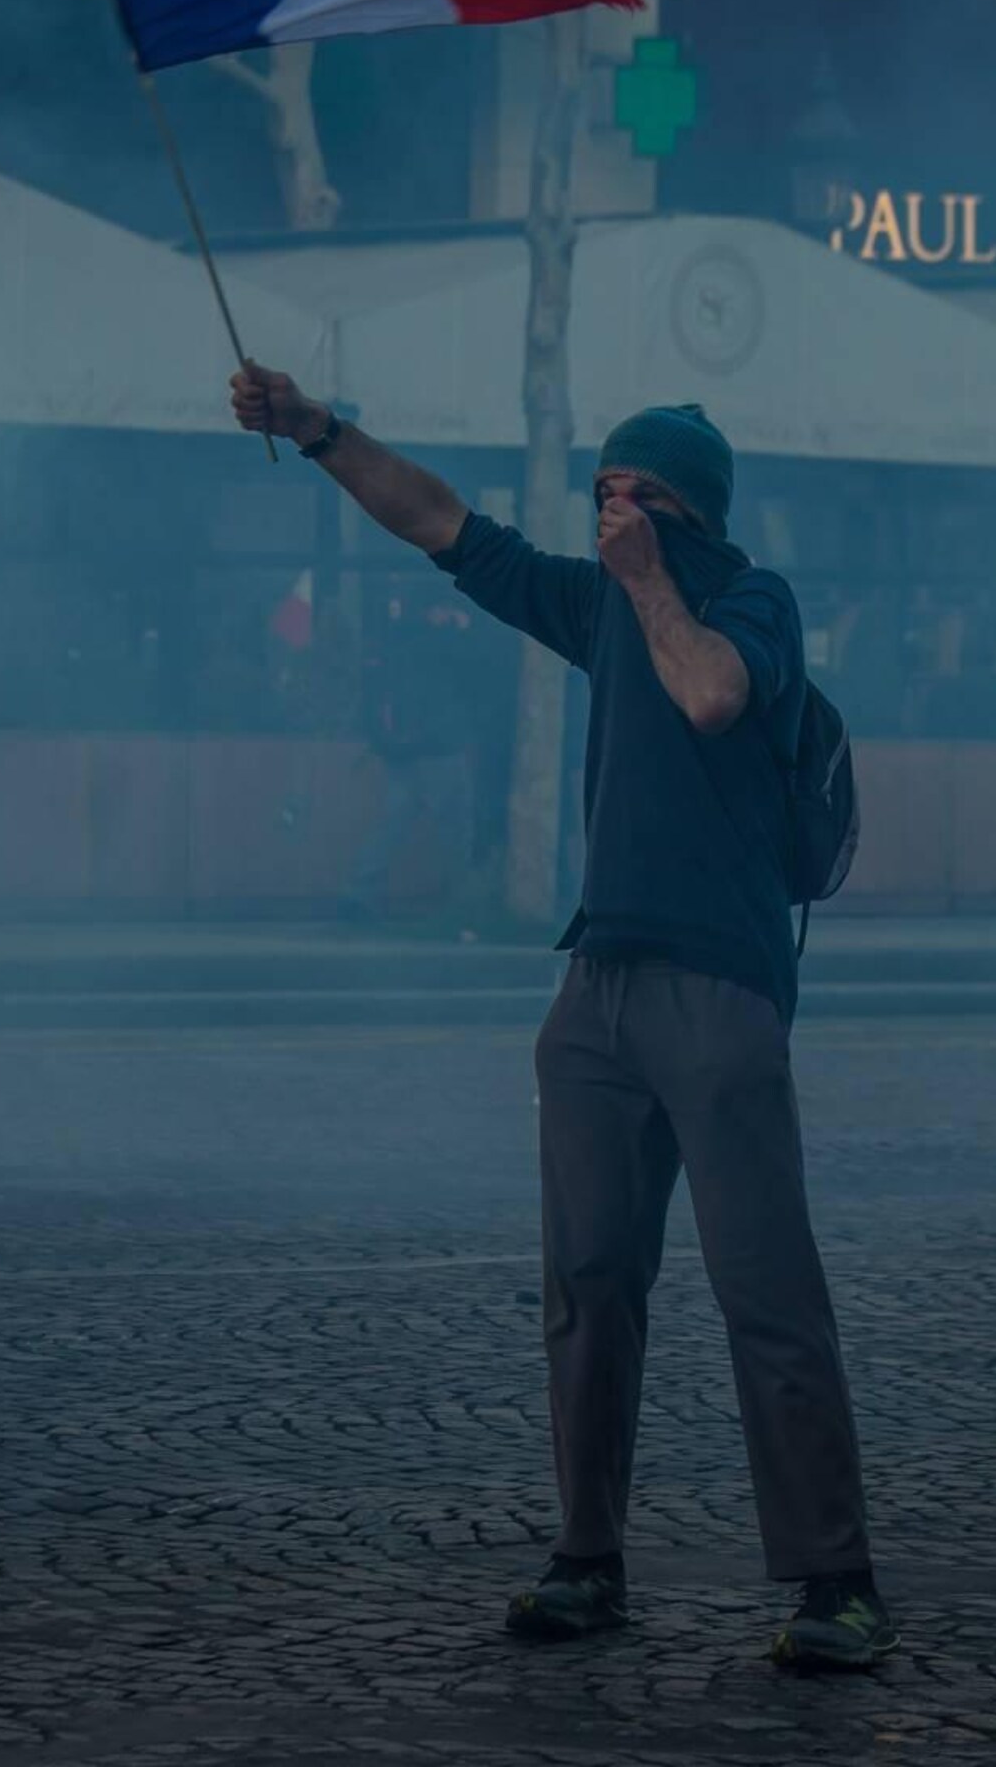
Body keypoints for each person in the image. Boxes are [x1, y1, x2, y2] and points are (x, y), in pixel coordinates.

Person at [229, 360, 894, 1672]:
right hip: (598, 988)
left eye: (633, 492)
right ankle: (589, 1560)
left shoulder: (752, 602)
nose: (610, 510)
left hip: (724, 991)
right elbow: (443, 527)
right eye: (601, 490)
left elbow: (708, 692)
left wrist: (645, 576)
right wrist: (317, 433)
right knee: (588, 1285)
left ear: (685, 510)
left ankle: (837, 1584)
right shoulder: (592, 604)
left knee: (766, 1291)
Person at [344, 594, 485, 928]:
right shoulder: (444, 643)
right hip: (439, 749)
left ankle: (360, 891)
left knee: (392, 824)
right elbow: (470, 678)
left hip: (402, 753)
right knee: (456, 830)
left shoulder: (397, 644)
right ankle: (463, 901)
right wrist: (461, 631)